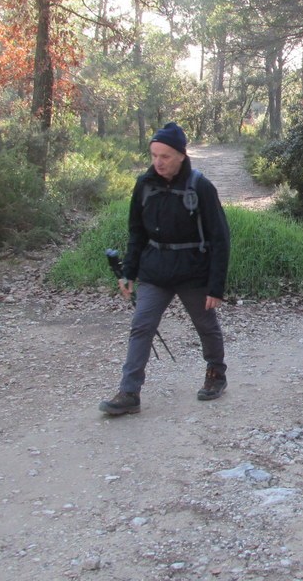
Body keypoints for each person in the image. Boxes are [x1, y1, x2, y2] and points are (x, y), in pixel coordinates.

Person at [99, 122, 231, 416]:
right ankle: (129, 392)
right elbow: (136, 232)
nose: (158, 162)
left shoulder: (201, 187)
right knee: (142, 326)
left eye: (165, 156)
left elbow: (220, 239)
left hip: (193, 271)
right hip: (155, 270)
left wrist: (216, 286)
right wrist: (128, 273)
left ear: (181, 155)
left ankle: (216, 374)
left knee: (206, 326)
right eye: (154, 155)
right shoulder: (144, 185)